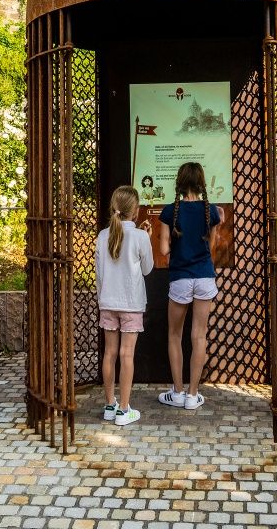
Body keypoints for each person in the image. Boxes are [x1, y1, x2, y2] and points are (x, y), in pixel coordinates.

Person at [157, 161, 224, 411]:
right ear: (201, 183)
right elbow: (211, 248)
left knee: (175, 335)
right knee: (199, 336)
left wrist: (175, 247)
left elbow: (164, 249)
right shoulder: (212, 212)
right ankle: (193, 396)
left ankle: (177, 392)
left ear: (180, 182)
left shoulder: (169, 212)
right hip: (204, 277)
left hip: (180, 278)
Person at [95, 184, 154, 426]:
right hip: (131, 303)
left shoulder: (102, 236)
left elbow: (99, 274)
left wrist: (102, 298)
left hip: (108, 301)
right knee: (126, 354)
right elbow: (147, 269)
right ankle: (124, 409)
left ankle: (109, 405)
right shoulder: (140, 236)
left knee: (109, 353)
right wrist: (147, 238)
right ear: (136, 210)